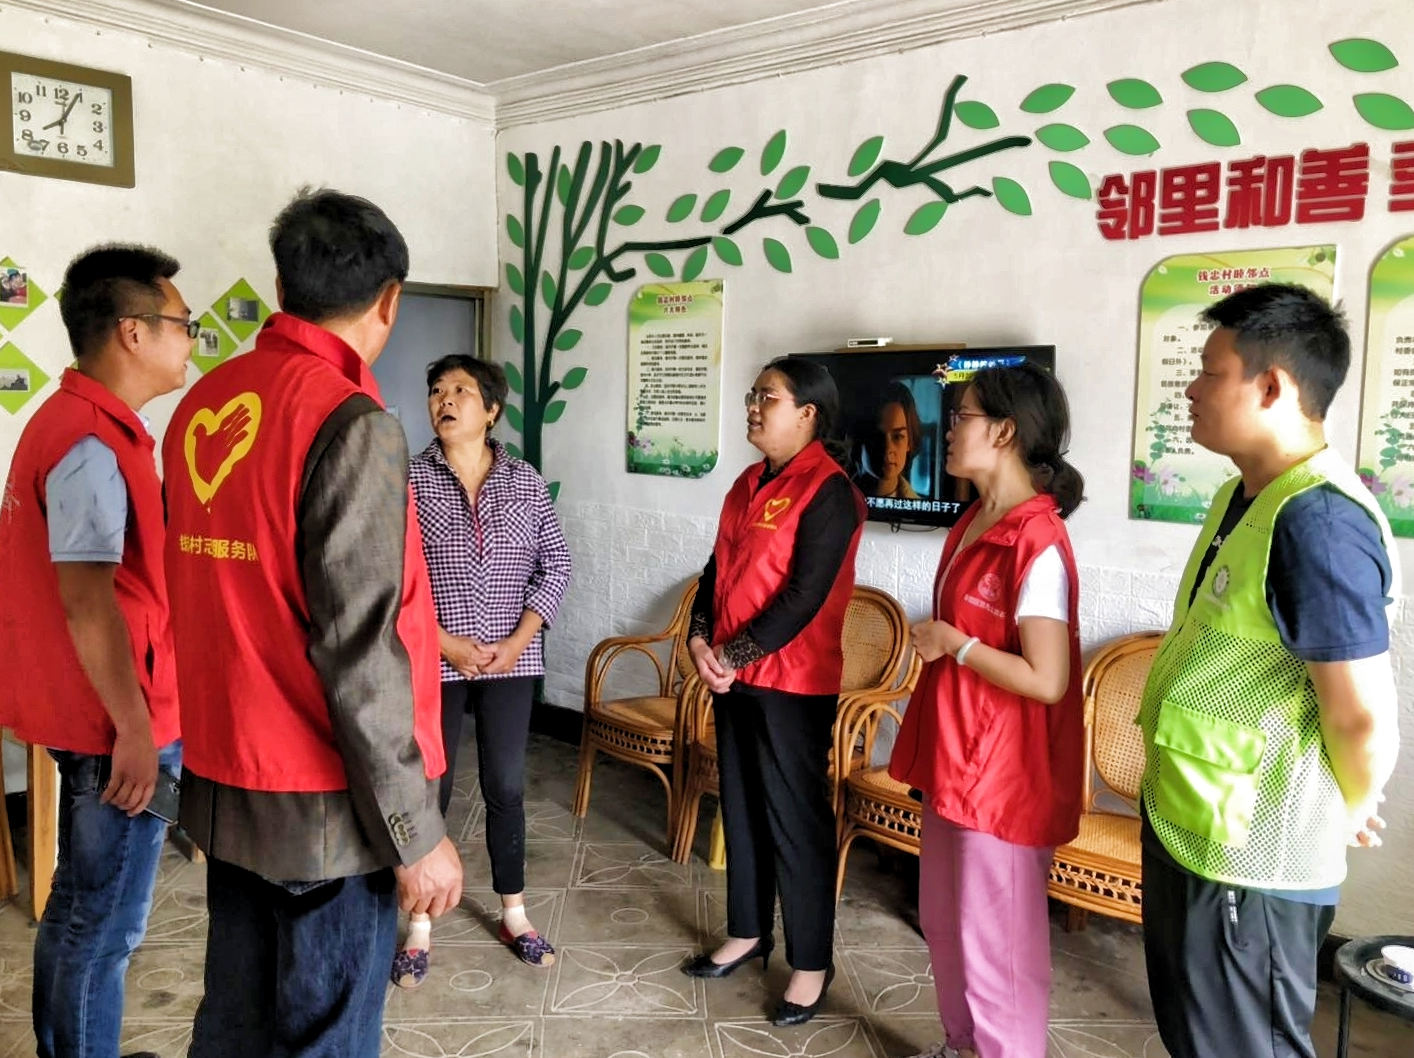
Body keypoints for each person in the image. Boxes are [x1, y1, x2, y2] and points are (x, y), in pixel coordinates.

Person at [162, 188, 463, 1058]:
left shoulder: (202, 405)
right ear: (388, 301)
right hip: (327, 808)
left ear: (282, 285)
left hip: (227, 785)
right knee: (326, 1036)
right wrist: (415, 833)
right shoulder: (349, 422)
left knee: (235, 1025)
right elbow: (361, 651)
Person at [1137, 284, 1399, 1058]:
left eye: (1209, 372)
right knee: (1197, 1037)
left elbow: (1359, 716)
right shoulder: (1244, 495)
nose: (1190, 389)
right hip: (1196, 824)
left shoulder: (1319, 522)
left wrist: (1348, 803)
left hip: (1252, 860)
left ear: (1273, 387)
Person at [0, 244, 192, 1058]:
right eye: (182, 323)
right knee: (107, 927)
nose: (190, 340)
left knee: (79, 909)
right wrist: (136, 728)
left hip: (91, 709)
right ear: (132, 332)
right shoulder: (89, 442)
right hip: (114, 722)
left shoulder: (84, 425)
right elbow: (87, 601)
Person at [889, 361, 1086, 1058]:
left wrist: (956, 644)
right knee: (945, 923)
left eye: (962, 417)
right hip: (956, 758)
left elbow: (1047, 679)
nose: (948, 431)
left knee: (999, 946)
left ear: (1003, 431)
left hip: (1005, 777)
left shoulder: (1037, 541)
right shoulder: (974, 520)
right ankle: (961, 1044)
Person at [680, 356, 866, 1027]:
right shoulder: (747, 482)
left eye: (769, 397)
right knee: (741, 808)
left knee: (795, 821)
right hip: (732, 676)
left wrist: (732, 655)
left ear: (808, 413)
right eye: (753, 395)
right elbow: (716, 572)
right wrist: (700, 639)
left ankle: (810, 964)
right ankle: (747, 933)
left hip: (792, 683)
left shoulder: (830, 491)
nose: (754, 407)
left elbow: (804, 596)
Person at [392, 354, 571, 986]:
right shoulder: (407, 478)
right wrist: (444, 643)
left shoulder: (525, 480)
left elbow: (556, 565)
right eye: (436, 390)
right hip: (432, 659)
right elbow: (392, 575)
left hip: (510, 661)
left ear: (491, 410)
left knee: (506, 785)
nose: (444, 400)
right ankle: (419, 923)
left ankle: (514, 913)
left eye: (461, 391)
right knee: (430, 789)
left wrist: (520, 641)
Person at [854, 380, 923, 500]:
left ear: (909, 442)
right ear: (861, 439)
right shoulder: (833, 497)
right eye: (877, 436)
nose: (887, 449)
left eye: (897, 437)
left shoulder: (920, 508)